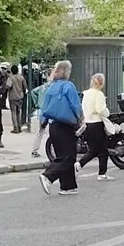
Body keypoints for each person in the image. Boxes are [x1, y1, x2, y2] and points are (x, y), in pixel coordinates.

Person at [38, 60, 82, 196]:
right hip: (66, 124)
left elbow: (44, 106)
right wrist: (81, 119)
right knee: (68, 157)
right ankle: (48, 176)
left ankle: (67, 186)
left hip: (53, 125)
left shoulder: (51, 87)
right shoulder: (69, 86)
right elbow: (75, 105)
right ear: (67, 72)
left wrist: (42, 122)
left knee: (62, 155)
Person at [74, 73, 115, 181]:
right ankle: (101, 173)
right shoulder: (99, 94)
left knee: (94, 150)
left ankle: (79, 165)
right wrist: (107, 113)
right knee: (102, 150)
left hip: (88, 124)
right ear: (102, 83)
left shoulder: (86, 94)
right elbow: (100, 109)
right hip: (97, 123)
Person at [30, 68, 54, 158]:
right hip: (51, 111)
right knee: (52, 131)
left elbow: (33, 92)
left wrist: (37, 103)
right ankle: (54, 149)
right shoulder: (52, 87)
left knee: (40, 131)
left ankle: (34, 150)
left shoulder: (42, 87)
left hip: (42, 111)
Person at [6, 65, 27, 133]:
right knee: (19, 112)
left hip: (12, 97)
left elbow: (8, 86)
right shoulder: (21, 78)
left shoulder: (10, 78)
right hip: (20, 96)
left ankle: (15, 128)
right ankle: (19, 127)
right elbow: (25, 87)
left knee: (13, 113)